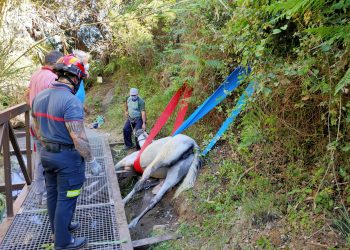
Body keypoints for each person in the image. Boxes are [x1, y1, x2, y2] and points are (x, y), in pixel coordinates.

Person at [32, 55, 101, 249]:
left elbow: (36, 129)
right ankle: (63, 242)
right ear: (75, 78)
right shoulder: (71, 102)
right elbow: (78, 138)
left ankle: (60, 229)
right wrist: (92, 160)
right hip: (67, 158)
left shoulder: (39, 97)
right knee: (67, 198)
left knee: (53, 195)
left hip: (46, 154)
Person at [24, 50, 63, 206]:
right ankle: (52, 198)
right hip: (47, 124)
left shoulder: (35, 75)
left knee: (39, 159)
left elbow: (26, 95)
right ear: (54, 63)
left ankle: (39, 195)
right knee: (54, 157)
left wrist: (33, 108)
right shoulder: (53, 78)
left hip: (34, 122)